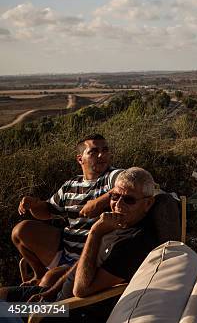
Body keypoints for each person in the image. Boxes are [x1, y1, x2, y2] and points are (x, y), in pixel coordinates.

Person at [1, 167, 158, 320]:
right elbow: (79, 265)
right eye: (115, 196)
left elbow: (81, 290)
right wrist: (49, 292)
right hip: (55, 297)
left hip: (67, 310)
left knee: (3, 311)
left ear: (148, 204)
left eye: (129, 200)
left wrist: (95, 233)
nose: (118, 205)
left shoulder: (134, 243)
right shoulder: (118, 224)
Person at [11, 134, 122, 286]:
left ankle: (46, 287)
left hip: (89, 257)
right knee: (20, 231)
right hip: (66, 249)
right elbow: (47, 212)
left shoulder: (111, 176)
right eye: (94, 152)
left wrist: (98, 203)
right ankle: (40, 273)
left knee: (48, 281)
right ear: (80, 159)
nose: (101, 155)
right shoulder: (71, 185)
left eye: (105, 150)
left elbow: (131, 180)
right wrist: (35, 205)